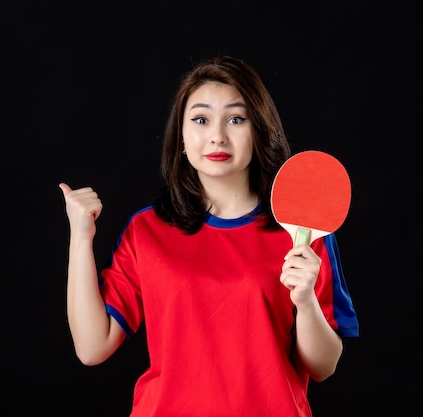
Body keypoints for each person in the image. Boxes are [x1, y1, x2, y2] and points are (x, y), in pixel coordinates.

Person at [58, 55, 359, 417]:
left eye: (236, 118)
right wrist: (80, 237)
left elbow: (323, 367)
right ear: (182, 137)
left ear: (258, 130)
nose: (218, 135)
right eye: (201, 119)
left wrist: (306, 300)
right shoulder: (146, 231)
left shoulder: (302, 232)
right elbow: (92, 348)